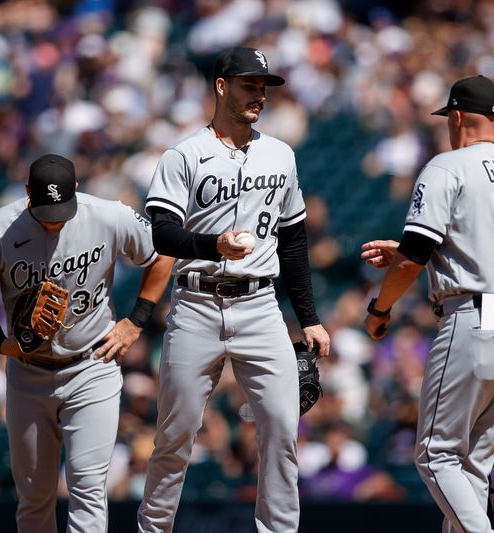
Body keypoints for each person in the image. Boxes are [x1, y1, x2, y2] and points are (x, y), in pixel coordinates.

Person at [137, 47, 330, 533]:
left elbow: (294, 240)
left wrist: (308, 317)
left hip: (261, 305)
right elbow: (161, 231)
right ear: (221, 86)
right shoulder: (183, 154)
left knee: (283, 431)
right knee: (175, 437)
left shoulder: (281, 154)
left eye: (263, 87)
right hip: (197, 302)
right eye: (249, 85)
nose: (259, 96)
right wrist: (211, 243)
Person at [362, 75, 494, 533]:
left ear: (457, 116)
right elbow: (468, 245)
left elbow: (414, 260)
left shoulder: (447, 166)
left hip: (477, 320)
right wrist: (407, 251)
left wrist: (379, 310)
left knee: (434, 454)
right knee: (473, 462)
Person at [0, 153, 174, 532]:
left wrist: (135, 322)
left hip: (91, 367)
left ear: (76, 189)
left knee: (88, 492)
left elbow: (161, 254)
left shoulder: (108, 215)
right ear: (27, 193)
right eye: (46, 209)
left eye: (62, 208)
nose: (55, 219)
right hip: (28, 374)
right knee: (34, 498)